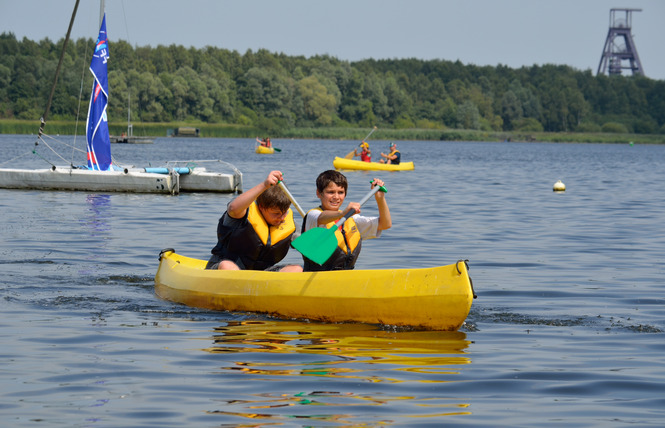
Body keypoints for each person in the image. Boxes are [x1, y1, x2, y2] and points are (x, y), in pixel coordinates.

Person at [206, 170, 302, 272]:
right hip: (224, 267)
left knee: (296, 269)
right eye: (276, 213)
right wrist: (265, 185)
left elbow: (308, 247)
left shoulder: (290, 226)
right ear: (261, 207)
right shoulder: (242, 215)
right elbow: (233, 209)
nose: (282, 218)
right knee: (227, 266)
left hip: (261, 273)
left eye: (285, 212)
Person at [301, 170, 391, 271]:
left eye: (341, 192)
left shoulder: (351, 220)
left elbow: (385, 224)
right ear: (319, 193)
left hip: (345, 278)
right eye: (330, 192)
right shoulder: (312, 216)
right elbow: (322, 217)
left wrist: (380, 199)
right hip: (317, 278)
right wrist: (343, 213)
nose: (336, 197)